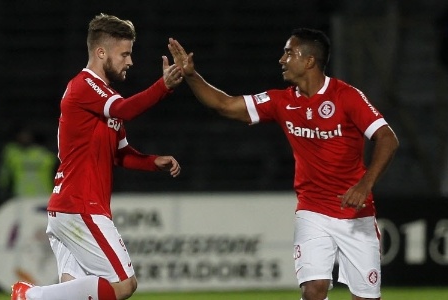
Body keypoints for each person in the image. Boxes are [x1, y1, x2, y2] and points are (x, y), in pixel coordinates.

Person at [168, 28, 399, 300]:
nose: (281, 59)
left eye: (289, 53)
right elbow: (225, 104)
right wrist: (192, 75)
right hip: (313, 212)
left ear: (309, 61)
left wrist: (365, 184)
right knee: (313, 290)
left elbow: (387, 138)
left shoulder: (346, 96)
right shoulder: (281, 101)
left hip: (355, 214)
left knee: (366, 298)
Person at [11, 13, 183, 300]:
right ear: (101, 52)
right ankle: (28, 296)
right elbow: (125, 110)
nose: (130, 61)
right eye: (124, 54)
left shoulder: (104, 97)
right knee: (125, 284)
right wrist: (163, 87)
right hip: (81, 205)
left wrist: (153, 162)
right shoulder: (85, 85)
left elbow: (122, 155)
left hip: (68, 208)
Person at [0, 124, 57, 200]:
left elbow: (57, 171)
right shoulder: (11, 153)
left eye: (26, 134)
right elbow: (4, 176)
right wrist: (4, 191)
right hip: (20, 196)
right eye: (22, 135)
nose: (24, 137)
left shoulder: (45, 154)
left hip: (43, 196)